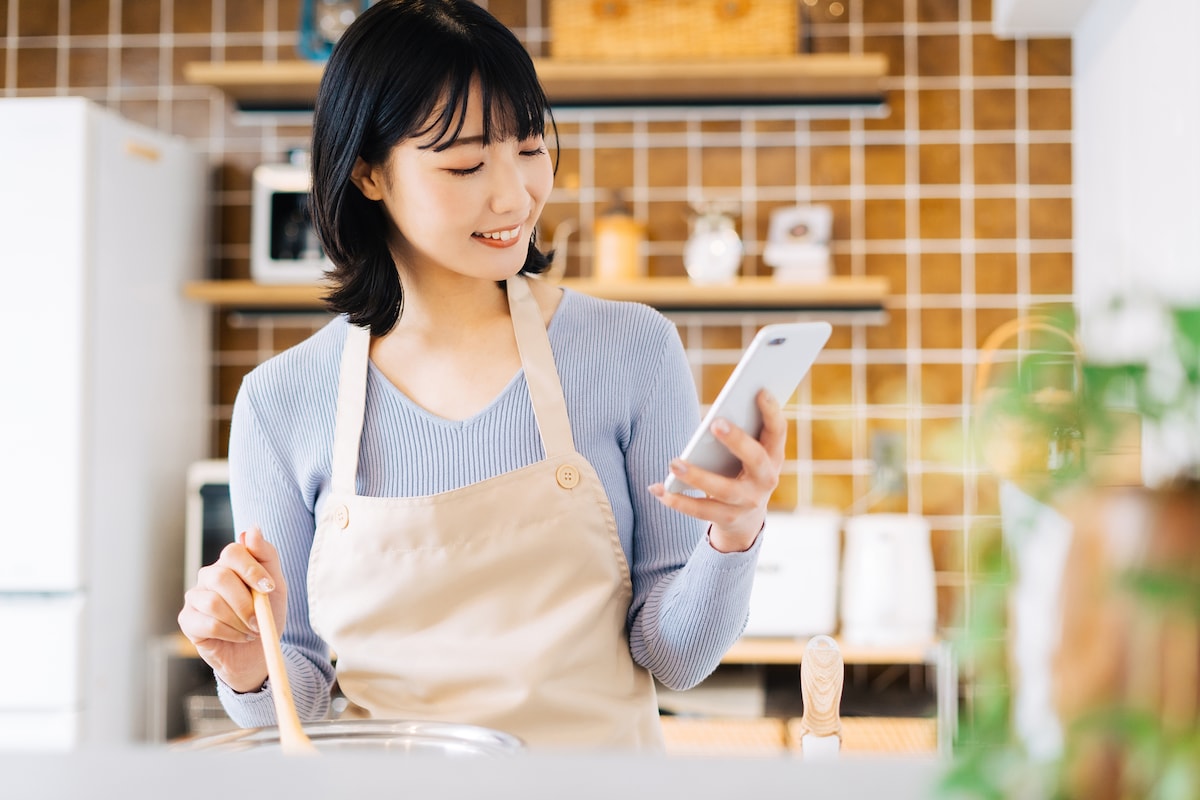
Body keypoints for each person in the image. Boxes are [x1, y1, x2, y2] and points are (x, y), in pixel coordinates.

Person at [177, 0, 785, 750]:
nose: (514, 195)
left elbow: (674, 656)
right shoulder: (281, 400)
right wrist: (245, 668)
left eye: (529, 149)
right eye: (465, 163)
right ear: (367, 172)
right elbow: (295, 701)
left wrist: (734, 532)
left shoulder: (632, 349)